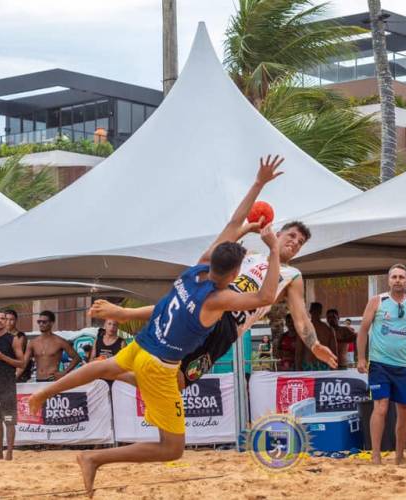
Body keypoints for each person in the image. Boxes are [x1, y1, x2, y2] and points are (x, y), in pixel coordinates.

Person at [27, 155, 288, 496]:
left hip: (142, 344)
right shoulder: (217, 299)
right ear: (236, 273)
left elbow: (234, 221)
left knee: (102, 366)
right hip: (159, 366)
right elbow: (267, 296)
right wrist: (272, 251)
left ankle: (44, 392)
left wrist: (258, 184)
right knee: (172, 448)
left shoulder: (197, 268)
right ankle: (95, 460)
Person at [89, 211, 339, 388]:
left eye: (300, 242)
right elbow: (221, 246)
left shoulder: (291, 274)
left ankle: (113, 371)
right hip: (217, 306)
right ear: (279, 233)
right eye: (292, 236)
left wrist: (314, 344)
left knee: (178, 382)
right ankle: (123, 318)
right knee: (184, 302)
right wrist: (245, 228)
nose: (295, 243)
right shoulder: (248, 254)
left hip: (229, 327)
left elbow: (301, 317)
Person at [357, 264, 406, 465]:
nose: (398, 280)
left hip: (403, 366)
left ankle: (400, 456)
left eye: (402, 277)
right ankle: (376, 455)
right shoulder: (377, 301)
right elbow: (363, 330)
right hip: (379, 364)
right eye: (394, 277)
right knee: (381, 407)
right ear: (389, 280)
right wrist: (361, 358)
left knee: (405, 410)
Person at [0, 310, 24, 460]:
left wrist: (2, 357)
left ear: (6, 321)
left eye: (3, 318)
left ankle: (9, 453)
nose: (0, 321)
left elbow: (21, 363)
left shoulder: (13, 339)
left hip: (7, 383)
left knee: (9, 420)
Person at [17, 311, 81, 382]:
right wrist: (15, 377)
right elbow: (23, 363)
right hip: (38, 379)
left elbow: (77, 358)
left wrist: (63, 373)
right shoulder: (33, 342)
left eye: (44, 322)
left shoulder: (60, 341)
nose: (41, 324)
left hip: (52, 379)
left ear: (51, 323)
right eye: (39, 322)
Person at [295, 302, 337, 371]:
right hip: (323, 364)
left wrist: (298, 369)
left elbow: (299, 352)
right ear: (321, 312)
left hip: (310, 364)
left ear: (310, 311)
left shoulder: (303, 329)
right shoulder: (328, 329)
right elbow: (334, 351)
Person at [5, 309, 32, 383]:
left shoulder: (19, 337)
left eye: (11, 320)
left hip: (18, 375)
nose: (8, 322)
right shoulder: (3, 335)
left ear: (16, 320)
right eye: (6, 319)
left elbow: (20, 359)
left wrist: (15, 376)